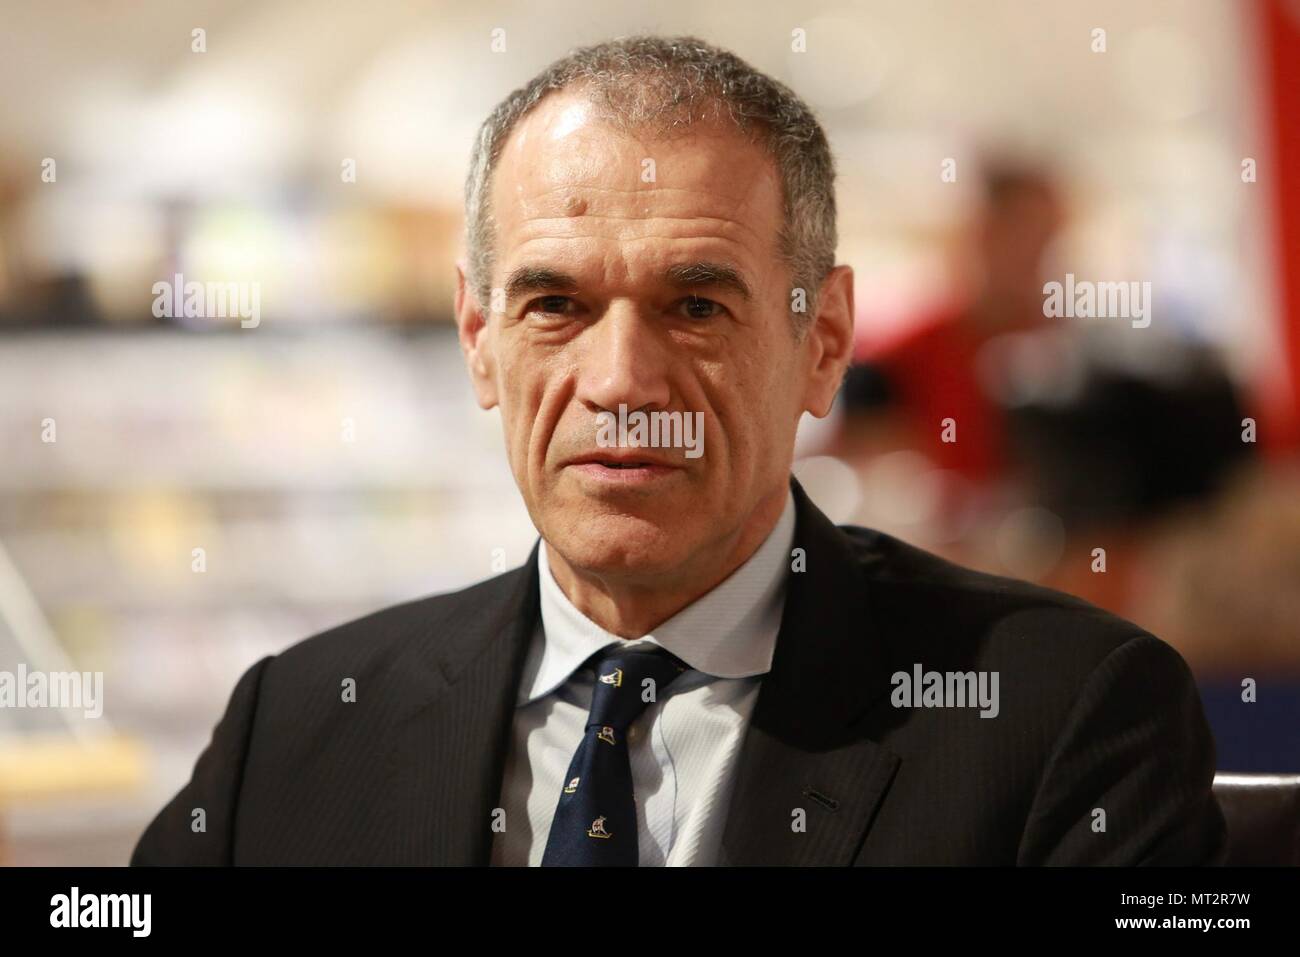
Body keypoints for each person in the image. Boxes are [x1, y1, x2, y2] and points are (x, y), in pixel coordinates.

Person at [131, 35, 1226, 866]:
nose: (619, 382)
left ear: (822, 341)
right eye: (554, 303)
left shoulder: (1064, 720)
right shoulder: (298, 727)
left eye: (695, 307)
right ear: (479, 342)